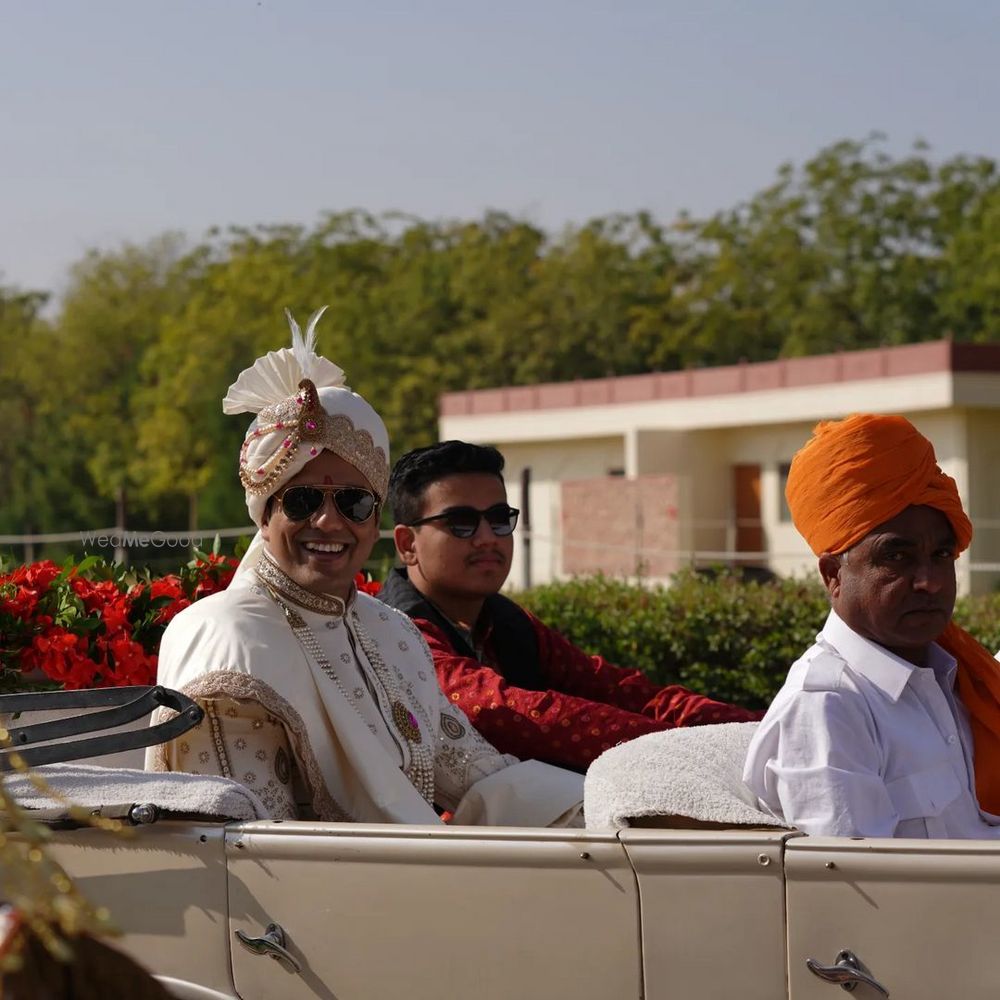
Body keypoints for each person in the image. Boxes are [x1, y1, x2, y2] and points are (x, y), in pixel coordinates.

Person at [146, 311, 583, 827]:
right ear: (265, 513)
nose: (329, 521)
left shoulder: (391, 633)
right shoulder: (229, 638)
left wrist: (609, 808)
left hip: (408, 881)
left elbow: (479, 775)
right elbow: (251, 848)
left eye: (354, 503)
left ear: (376, 517)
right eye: (303, 499)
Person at [379, 440, 762, 773]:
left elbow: (616, 690)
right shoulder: (394, 632)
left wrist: (753, 730)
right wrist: (687, 748)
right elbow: (513, 713)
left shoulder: (509, 623)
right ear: (407, 544)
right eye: (461, 523)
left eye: (498, 519)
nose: (486, 538)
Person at [743, 413, 1000, 838]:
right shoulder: (829, 706)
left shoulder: (956, 677)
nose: (930, 581)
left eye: (941, 555)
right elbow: (862, 897)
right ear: (833, 574)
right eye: (896, 557)